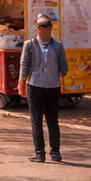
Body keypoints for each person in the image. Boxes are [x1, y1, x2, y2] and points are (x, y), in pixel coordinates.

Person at [18, 14, 68, 162]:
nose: (43, 30)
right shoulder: (30, 44)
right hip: (34, 86)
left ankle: (55, 152)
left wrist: (59, 70)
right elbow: (24, 64)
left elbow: (64, 67)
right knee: (36, 120)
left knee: (53, 120)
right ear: (37, 29)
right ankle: (39, 152)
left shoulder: (57, 46)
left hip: (53, 87)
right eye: (40, 27)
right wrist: (21, 82)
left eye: (46, 27)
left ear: (51, 29)